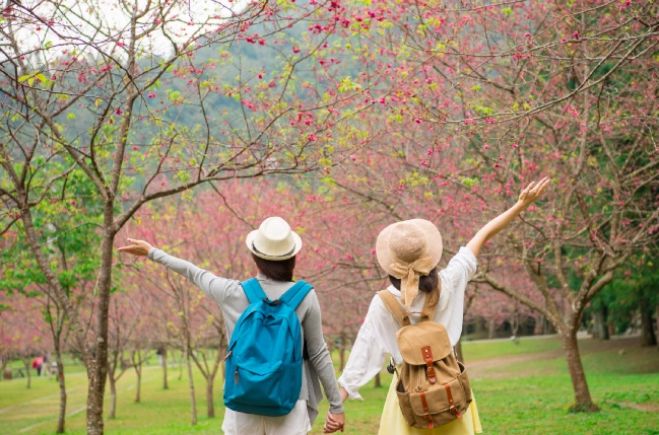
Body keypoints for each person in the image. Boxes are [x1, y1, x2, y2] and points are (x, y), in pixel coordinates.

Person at [326, 178, 550, 434]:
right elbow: (483, 235)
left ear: (391, 266)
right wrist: (520, 205)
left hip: (411, 398)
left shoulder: (384, 303)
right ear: (429, 258)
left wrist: (337, 406)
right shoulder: (449, 281)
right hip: (449, 391)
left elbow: (364, 354)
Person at [118, 216, 345, 434]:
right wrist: (336, 407)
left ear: (255, 256)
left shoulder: (231, 292)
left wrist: (151, 252)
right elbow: (318, 353)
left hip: (243, 402)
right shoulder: (305, 296)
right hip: (289, 400)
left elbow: (193, 272)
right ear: (292, 257)